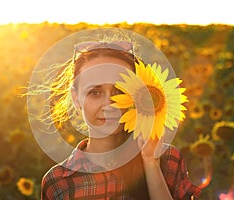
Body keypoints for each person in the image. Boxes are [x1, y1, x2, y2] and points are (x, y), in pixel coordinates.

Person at [31, 29, 201, 199]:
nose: (109, 104)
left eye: (120, 91)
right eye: (95, 92)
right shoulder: (59, 182)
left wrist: (151, 164)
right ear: (76, 98)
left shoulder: (168, 161)